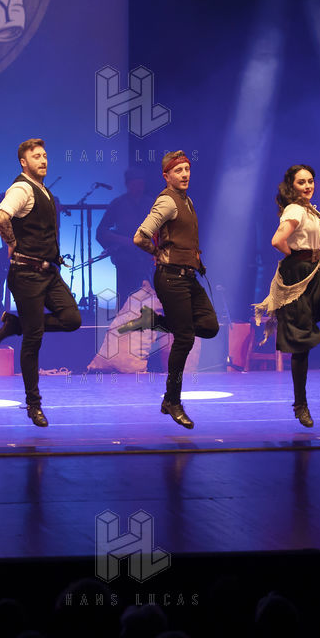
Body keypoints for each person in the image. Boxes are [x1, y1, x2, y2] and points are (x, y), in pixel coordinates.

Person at [119, 151, 220, 430]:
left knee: (210, 326)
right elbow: (139, 236)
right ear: (166, 176)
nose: (185, 174)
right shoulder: (167, 201)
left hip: (188, 277)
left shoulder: (186, 200)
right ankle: (172, 400)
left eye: (187, 169)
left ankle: (154, 321)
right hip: (171, 278)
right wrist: (157, 253)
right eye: (178, 170)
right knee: (184, 337)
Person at [254, 165, 320, 427]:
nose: (308, 186)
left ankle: (305, 319)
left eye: (310, 181)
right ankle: (300, 405)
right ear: (292, 186)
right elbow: (277, 240)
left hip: (317, 270)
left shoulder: (310, 209)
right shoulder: (295, 209)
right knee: (301, 347)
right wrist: (295, 256)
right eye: (302, 182)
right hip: (299, 272)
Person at [0, 138, 83, 427]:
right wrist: (12, 242)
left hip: (48, 273)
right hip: (26, 274)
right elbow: (0, 217)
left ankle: (16, 324)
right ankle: (33, 404)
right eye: (36, 156)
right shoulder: (22, 188)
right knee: (34, 339)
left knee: (72, 319)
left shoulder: (43, 189)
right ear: (23, 162)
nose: (43, 160)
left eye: (44, 155)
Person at [95, 166, 155, 304]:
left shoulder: (151, 203)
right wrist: (122, 240)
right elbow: (101, 232)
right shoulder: (118, 204)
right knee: (126, 298)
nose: (139, 187)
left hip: (147, 258)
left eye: (141, 184)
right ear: (128, 185)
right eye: (135, 184)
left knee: (148, 299)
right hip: (125, 258)